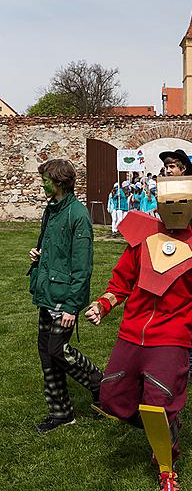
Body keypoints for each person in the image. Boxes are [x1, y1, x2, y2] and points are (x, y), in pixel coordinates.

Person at [85, 175, 192, 491]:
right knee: (111, 398)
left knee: (155, 406)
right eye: (168, 204)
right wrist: (103, 304)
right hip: (131, 334)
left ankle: (167, 470)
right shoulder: (141, 240)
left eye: (181, 204)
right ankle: (167, 424)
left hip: (171, 338)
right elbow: (121, 282)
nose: (174, 211)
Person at [29, 159, 102, 434]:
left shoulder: (77, 214)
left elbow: (82, 265)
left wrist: (72, 306)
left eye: (45, 179)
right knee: (47, 356)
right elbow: (53, 247)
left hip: (64, 299)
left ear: (58, 182)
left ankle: (100, 385)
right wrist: (40, 255)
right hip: (47, 292)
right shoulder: (51, 209)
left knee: (59, 350)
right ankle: (61, 413)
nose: (42, 183)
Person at [159, 149, 192, 383]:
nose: (168, 171)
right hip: (167, 258)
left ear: (183, 169)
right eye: (166, 167)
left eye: (172, 166)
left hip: (189, 259)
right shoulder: (163, 194)